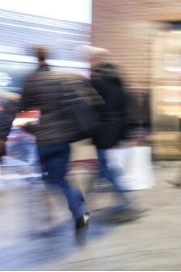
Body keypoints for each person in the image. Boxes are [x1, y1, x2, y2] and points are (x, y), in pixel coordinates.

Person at [0, 46, 99, 235]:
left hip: (44, 141)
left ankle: (70, 212)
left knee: (53, 180)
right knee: (62, 179)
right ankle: (81, 211)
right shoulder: (61, 79)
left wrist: (29, 129)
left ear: (34, 60)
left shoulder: (32, 80)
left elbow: (20, 110)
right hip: (64, 141)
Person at [87, 46, 142, 220]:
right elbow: (127, 103)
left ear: (96, 60)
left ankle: (126, 201)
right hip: (116, 127)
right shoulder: (117, 78)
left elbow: (92, 106)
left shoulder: (96, 80)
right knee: (101, 165)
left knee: (104, 166)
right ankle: (92, 198)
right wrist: (127, 130)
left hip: (102, 128)